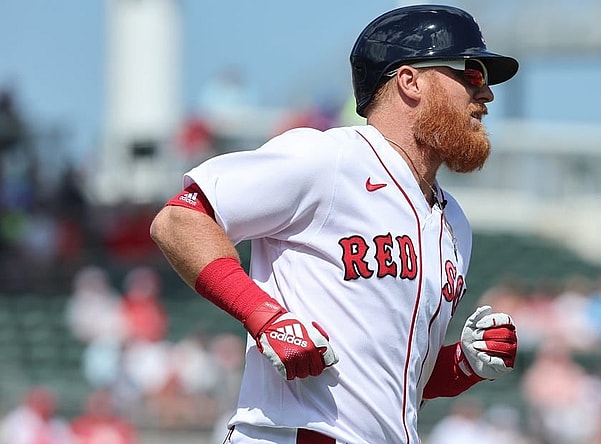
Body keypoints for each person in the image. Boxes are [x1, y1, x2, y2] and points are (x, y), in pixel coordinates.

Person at [149, 4, 519, 443]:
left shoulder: (455, 222)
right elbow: (178, 219)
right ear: (410, 80)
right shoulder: (329, 159)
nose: (487, 94)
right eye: (472, 72)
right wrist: (263, 316)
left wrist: (461, 364)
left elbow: (393, 385)